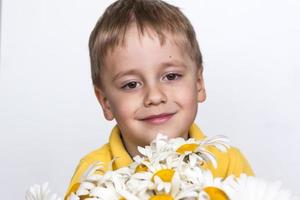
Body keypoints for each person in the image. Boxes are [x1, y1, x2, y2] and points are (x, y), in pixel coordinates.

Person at [65, 0, 254, 198]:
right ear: (105, 102)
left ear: (199, 83)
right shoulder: (94, 176)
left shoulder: (228, 163)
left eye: (171, 76)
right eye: (131, 84)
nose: (154, 97)